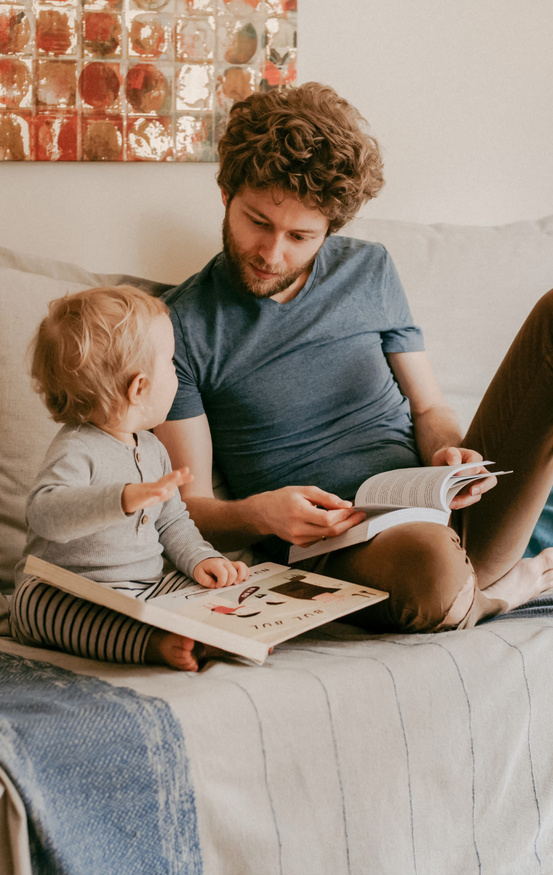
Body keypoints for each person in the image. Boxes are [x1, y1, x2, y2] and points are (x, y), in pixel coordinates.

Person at [154, 81, 553, 634]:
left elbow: (430, 409)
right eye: (257, 223)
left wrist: (450, 455)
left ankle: (479, 582)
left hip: (442, 507)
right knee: (433, 570)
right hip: (342, 549)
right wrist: (258, 512)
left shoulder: (368, 269)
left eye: (300, 235)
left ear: (331, 228)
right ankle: (494, 594)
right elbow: (188, 508)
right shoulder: (177, 327)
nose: (273, 254)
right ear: (226, 194)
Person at [9, 285, 249, 671]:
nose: (177, 371)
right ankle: (150, 643)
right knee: (35, 605)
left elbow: (173, 521)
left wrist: (202, 558)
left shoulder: (152, 448)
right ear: (140, 388)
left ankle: (228, 632)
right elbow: (44, 513)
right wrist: (120, 498)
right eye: (171, 362)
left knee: (220, 591)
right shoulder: (77, 448)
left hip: (146, 586)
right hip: (71, 589)